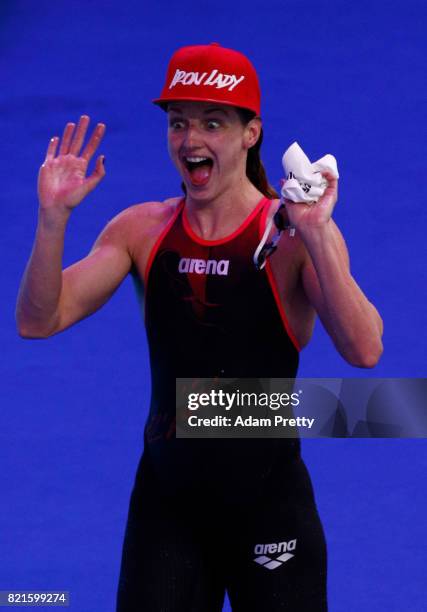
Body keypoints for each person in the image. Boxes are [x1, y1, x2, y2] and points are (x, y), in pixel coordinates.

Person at [16, 43, 383, 611]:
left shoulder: (290, 236)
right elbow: (38, 321)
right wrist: (52, 219)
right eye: (179, 123)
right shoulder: (141, 231)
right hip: (167, 510)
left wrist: (316, 233)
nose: (191, 140)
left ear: (250, 133)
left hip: (270, 507)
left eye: (213, 122)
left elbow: (364, 350)